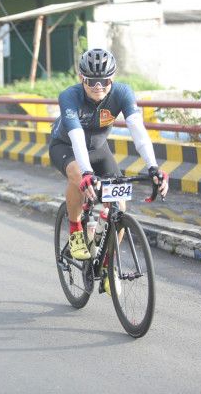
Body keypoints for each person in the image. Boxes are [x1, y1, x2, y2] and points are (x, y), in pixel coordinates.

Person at [49, 48, 168, 261]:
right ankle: (76, 231)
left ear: (112, 78)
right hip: (65, 146)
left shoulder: (122, 92)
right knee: (77, 175)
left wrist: (153, 167)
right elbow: (76, 135)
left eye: (104, 81)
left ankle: (107, 263)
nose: (98, 86)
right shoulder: (69, 96)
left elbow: (137, 129)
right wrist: (87, 173)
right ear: (81, 78)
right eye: (92, 81)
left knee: (119, 206)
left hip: (98, 148)